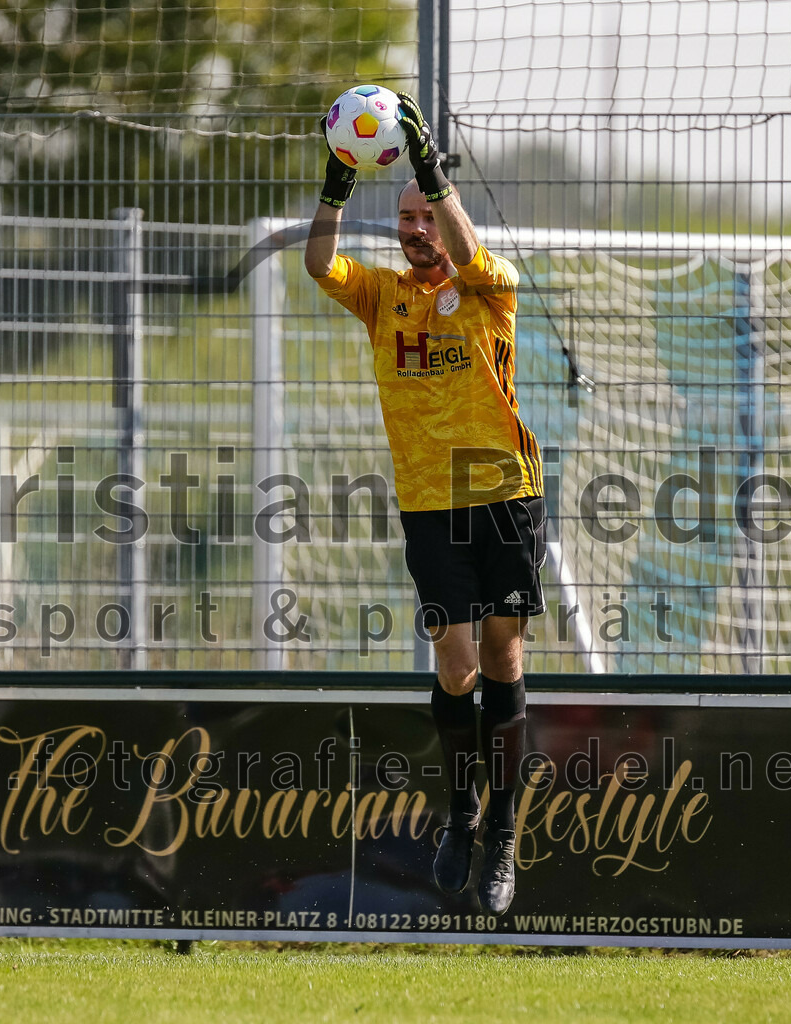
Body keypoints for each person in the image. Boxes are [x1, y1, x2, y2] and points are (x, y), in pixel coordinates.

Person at [304, 94, 546, 915]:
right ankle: (460, 813)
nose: (412, 230)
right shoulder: (383, 296)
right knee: (454, 661)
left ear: (447, 221)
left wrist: (428, 168)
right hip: (428, 504)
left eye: (424, 217)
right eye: (403, 219)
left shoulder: (491, 286)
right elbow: (317, 266)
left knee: (506, 661)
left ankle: (504, 834)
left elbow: (472, 249)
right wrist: (337, 186)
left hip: (505, 494)